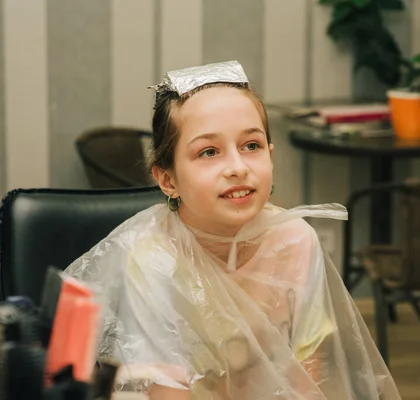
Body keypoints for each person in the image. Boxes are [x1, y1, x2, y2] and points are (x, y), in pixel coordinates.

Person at [64, 61, 401, 400]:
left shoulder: (296, 240)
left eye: (251, 146)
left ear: (270, 156)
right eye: (209, 152)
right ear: (168, 179)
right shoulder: (155, 258)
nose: (237, 168)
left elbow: (307, 367)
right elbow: (165, 387)